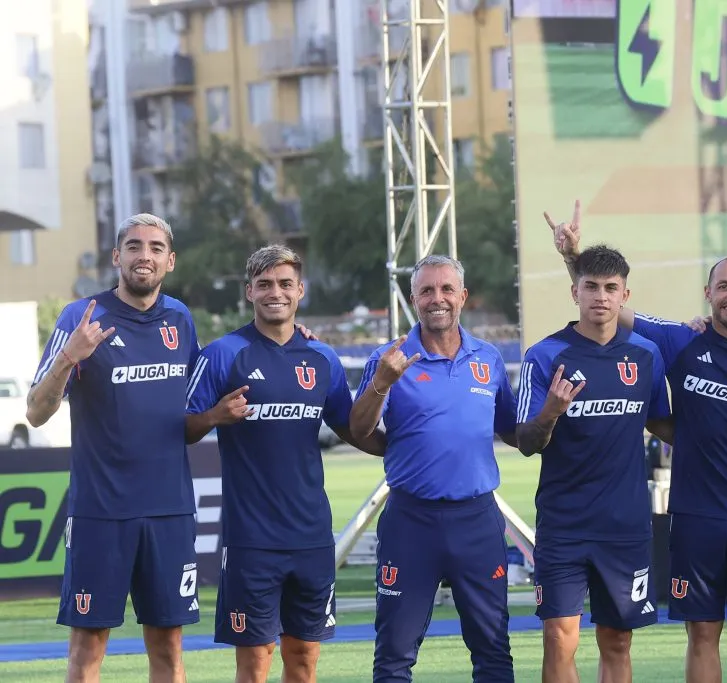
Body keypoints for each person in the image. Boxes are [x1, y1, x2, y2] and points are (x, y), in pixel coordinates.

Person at [546, 201, 727, 683]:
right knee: (702, 634)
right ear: (708, 292)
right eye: (724, 286)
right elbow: (607, 305)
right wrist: (574, 254)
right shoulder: (680, 340)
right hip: (694, 516)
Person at [183, 245, 384, 683]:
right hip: (252, 540)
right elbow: (181, 427)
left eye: (285, 284)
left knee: (304, 658)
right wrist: (216, 416)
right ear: (248, 291)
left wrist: (405, 447)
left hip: (312, 536)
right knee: (254, 663)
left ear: (301, 291)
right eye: (265, 285)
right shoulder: (223, 354)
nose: (276, 293)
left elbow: (352, 428)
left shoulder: (322, 357)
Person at [25, 213, 201, 683]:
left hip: (168, 510)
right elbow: (36, 412)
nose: (145, 256)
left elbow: (199, 396)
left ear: (170, 260)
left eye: (156, 248)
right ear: (116, 256)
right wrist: (68, 357)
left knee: (168, 647)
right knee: (87, 650)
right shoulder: (81, 318)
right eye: (135, 246)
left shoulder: (181, 319)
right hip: (101, 513)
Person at [348, 254, 519, 683]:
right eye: (426, 290)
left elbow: (515, 431)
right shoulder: (390, 358)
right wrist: (382, 382)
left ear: (463, 296)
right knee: (394, 656)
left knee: (494, 651)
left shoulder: (489, 359)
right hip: (411, 522)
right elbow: (357, 427)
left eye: (446, 289)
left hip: (476, 521)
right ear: (413, 299)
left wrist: (555, 415)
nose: (437, 299)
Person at [515, 245, 673, 683]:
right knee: (559, 637)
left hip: (625, 525)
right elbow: (528, 442)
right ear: (574, 292)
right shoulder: (545, 356)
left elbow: (661, 422)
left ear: (624, 295)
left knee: (617, 640)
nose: (600, 296)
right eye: (591, 287)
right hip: (564, 525)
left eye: (610, 288)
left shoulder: (645, 355)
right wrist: (550, 411)